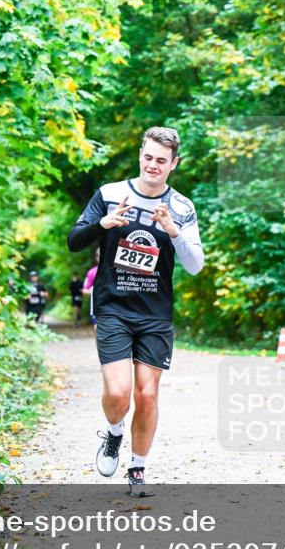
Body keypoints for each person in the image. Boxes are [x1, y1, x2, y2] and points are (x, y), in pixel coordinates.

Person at [67, 127, 205, 497]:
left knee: (147, 395)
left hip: (155, 314)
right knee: (118, 393)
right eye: (148, 157)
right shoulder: (110, 195)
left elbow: (195, 266)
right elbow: (74, 240)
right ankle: (114, 433)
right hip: (113, 308)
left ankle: (138, 467)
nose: (153, 165)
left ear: (174, 164)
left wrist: (173, 231)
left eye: (162, 160)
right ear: (140, 156)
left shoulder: (182, 208)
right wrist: (102, 224)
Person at [83, 248, 100, 328]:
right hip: (96, 306)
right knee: (97, 329)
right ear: (96, 257)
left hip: (113, 307)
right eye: (99, 256)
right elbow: (85, 290)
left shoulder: (114, 271)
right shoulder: (92, 272)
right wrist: (94, 291)